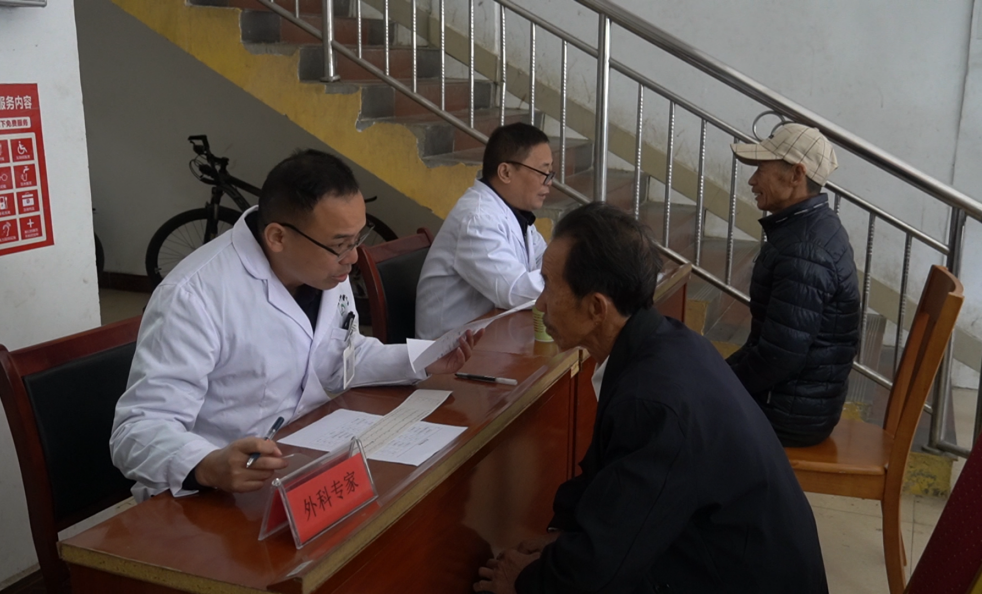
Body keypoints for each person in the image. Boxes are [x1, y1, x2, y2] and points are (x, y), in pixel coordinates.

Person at [474, 203, 828, 594]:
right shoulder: (666, 342)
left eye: (548, 287)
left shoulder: (653, 401)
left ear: (596, 308)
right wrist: (562, 537)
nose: (539, 305)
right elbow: (612, 482)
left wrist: (523, 581)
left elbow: (604, 564)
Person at [111, 149, 478, 501]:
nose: (353, 257)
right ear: (277, 237)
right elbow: (136, 431)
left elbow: (341, 355)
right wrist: (206, 465)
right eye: (340, 244)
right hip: (213, 493)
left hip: (302, 462)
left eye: (357, 240)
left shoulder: (324, 270)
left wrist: (422, 358)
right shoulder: (194, 295)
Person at [727, 123, 860, 447]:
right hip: (798, 403)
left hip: (788, 414)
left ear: (796, 175)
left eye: (761, 169)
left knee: (675, 412)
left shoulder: (804, 250)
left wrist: (718, 383)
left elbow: (778, 357)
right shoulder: (813, 225)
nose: (752, 180)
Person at [416, 122, 552, 339]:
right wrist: (575, 280)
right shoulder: (477, 219)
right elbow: (516, 292)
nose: (548, 182)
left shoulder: (515, 213)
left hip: (493, 336)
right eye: (543, 172)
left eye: (550, 173)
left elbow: (547, 263)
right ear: (505, 172)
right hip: (451, 350)